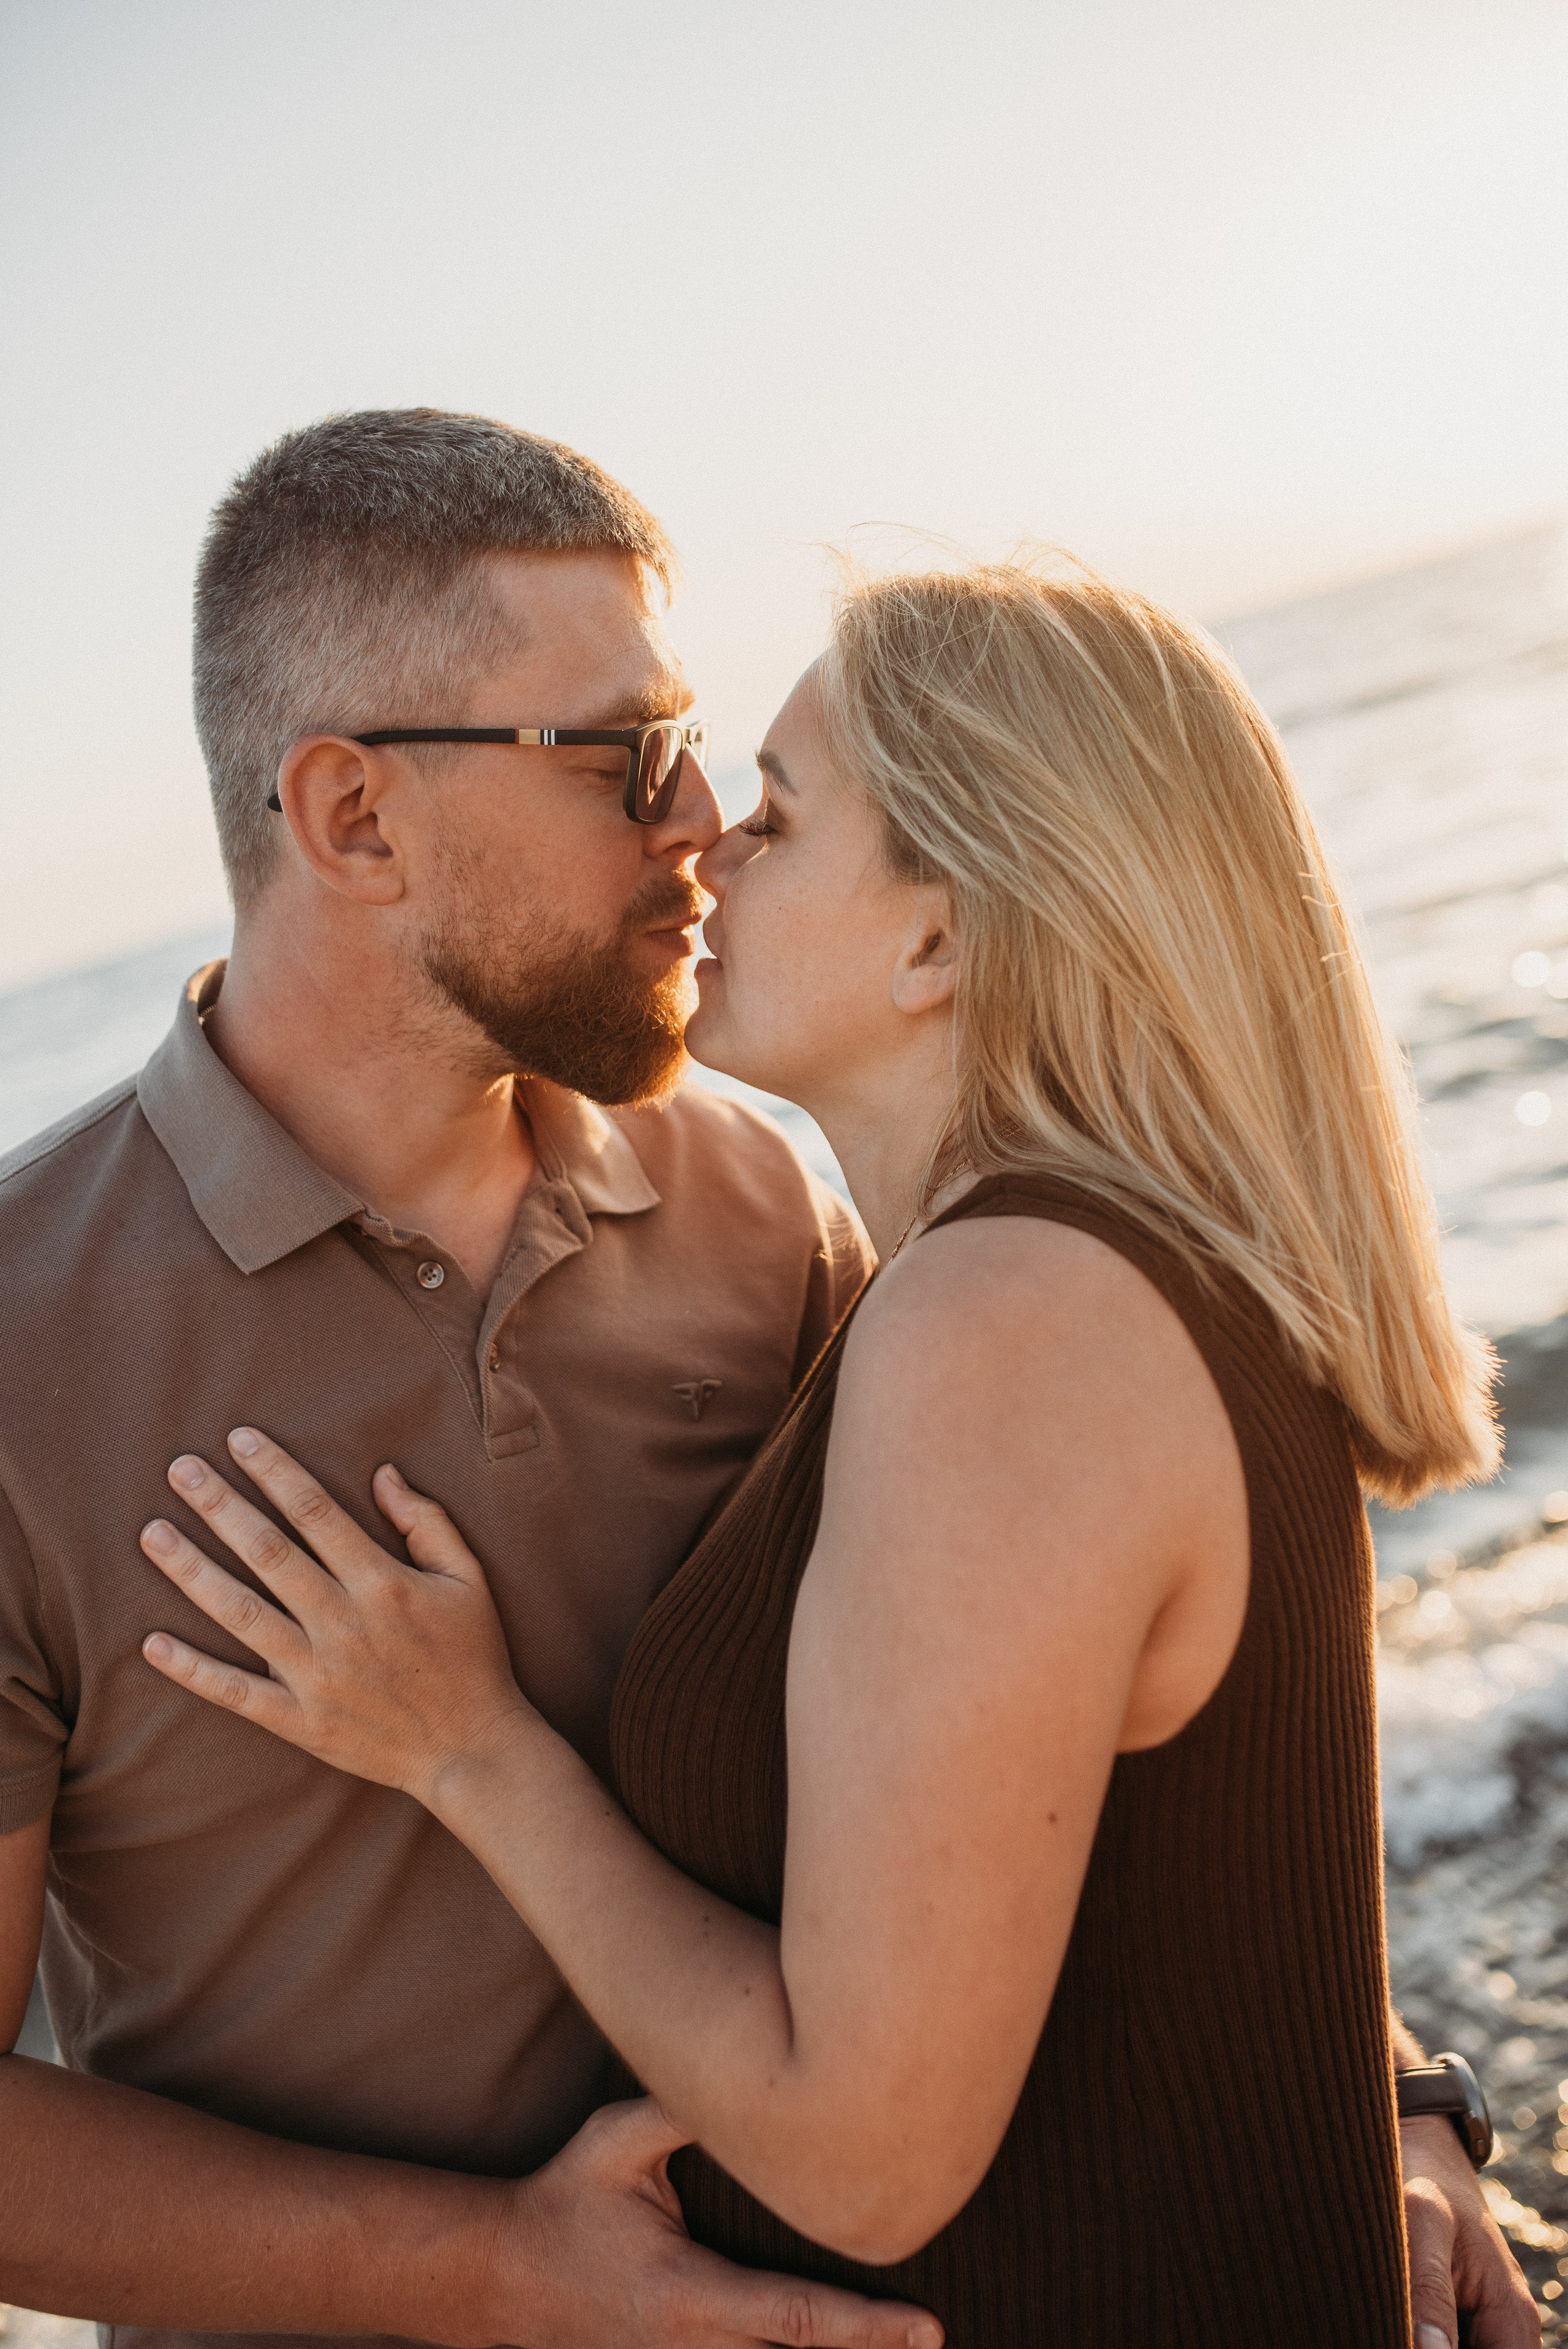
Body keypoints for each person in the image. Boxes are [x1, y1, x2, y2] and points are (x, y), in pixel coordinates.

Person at [139, 556, 1540, 2348]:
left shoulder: (1002, 1321)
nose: (705, 839)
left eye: (782, 818)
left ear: (937, 936)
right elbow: (1177, 1880)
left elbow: (868, 2162)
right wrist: (1405, 2099)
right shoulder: (1041, 1279)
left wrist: (470, 1746)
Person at [0, 409, 933, 2349]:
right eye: (622, 757)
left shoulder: (762, 1197)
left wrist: (1385, 2084)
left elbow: (1053, 1708)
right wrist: (503, 2272)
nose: (700, 824)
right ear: (351, 818)